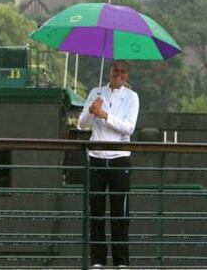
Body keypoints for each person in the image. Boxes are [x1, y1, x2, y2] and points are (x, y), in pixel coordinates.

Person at [77, 61, 139, 268]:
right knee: (95, 210)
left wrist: (105, 115)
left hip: (119, 157)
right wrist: (92, 111)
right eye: (115, 71)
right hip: (96, 156)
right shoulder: (97, 92)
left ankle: (121, 261)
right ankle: (97, 260)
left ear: (127, 75)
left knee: (119, 213)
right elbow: (82, 123)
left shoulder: (132, 97)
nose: (118, 75)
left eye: (122, 72)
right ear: (109, 72)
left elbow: (128, 128)